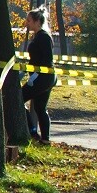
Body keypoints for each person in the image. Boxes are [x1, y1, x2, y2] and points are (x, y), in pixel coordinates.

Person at [22, 8, 55, 144]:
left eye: (29, 21)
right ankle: (45, 139)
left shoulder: (43, 37)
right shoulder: (39, 36)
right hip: (43, 77)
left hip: (43, 78)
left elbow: (46, 60)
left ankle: (33, 132)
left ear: (37, 22)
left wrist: (35, 75)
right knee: (40, 108)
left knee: (18, 98)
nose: (27, 23)